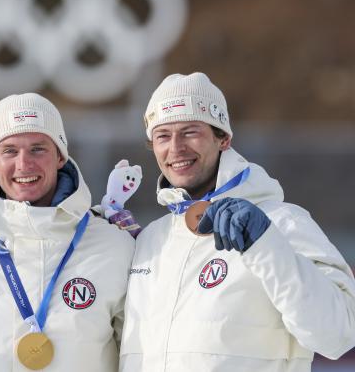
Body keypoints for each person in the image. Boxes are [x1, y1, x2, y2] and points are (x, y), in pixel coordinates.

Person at [119, 72, 355, 371]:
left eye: (190, 131)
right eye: (162, 135)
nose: (176, 147)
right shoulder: (151, 240)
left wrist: (266, 245)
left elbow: (337, 335)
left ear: (224, 139)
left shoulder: (282, 223)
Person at [0, 93, 134, 371]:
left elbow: (139, 354)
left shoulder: (114, 245)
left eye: (38, 149)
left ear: (60, 156)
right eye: (9, 151)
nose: (24, 164)